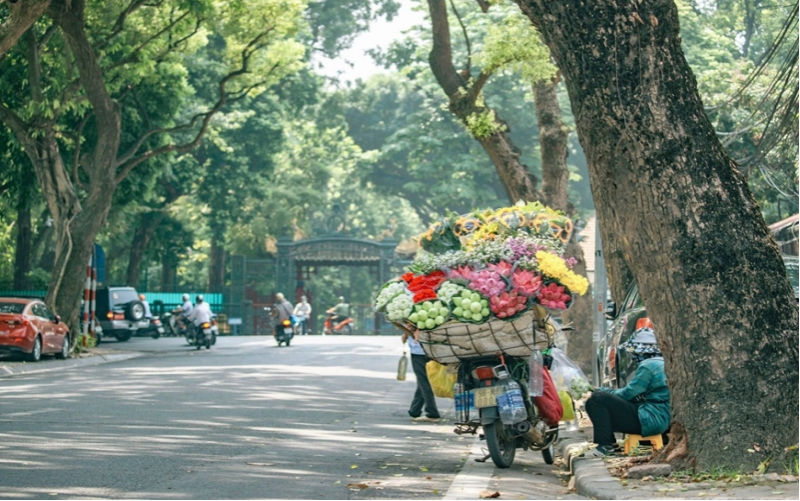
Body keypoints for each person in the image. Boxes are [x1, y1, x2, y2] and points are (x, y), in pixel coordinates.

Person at [583, 327, 670, 457]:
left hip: (650, 419)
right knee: (594, 400)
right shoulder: (663, 363)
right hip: (662, 419)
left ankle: (605, 447)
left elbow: (628, 394)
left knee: (597, 399)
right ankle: (611, 445)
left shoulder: (648, 366)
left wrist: (601, 390)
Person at [401, 330, 441, 422]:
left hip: (419, 350)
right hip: (433, 349)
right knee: (422, 380)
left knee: (424, 381)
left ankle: (432, 413)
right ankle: (414, 410)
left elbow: (413, 326)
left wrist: (406, 333)